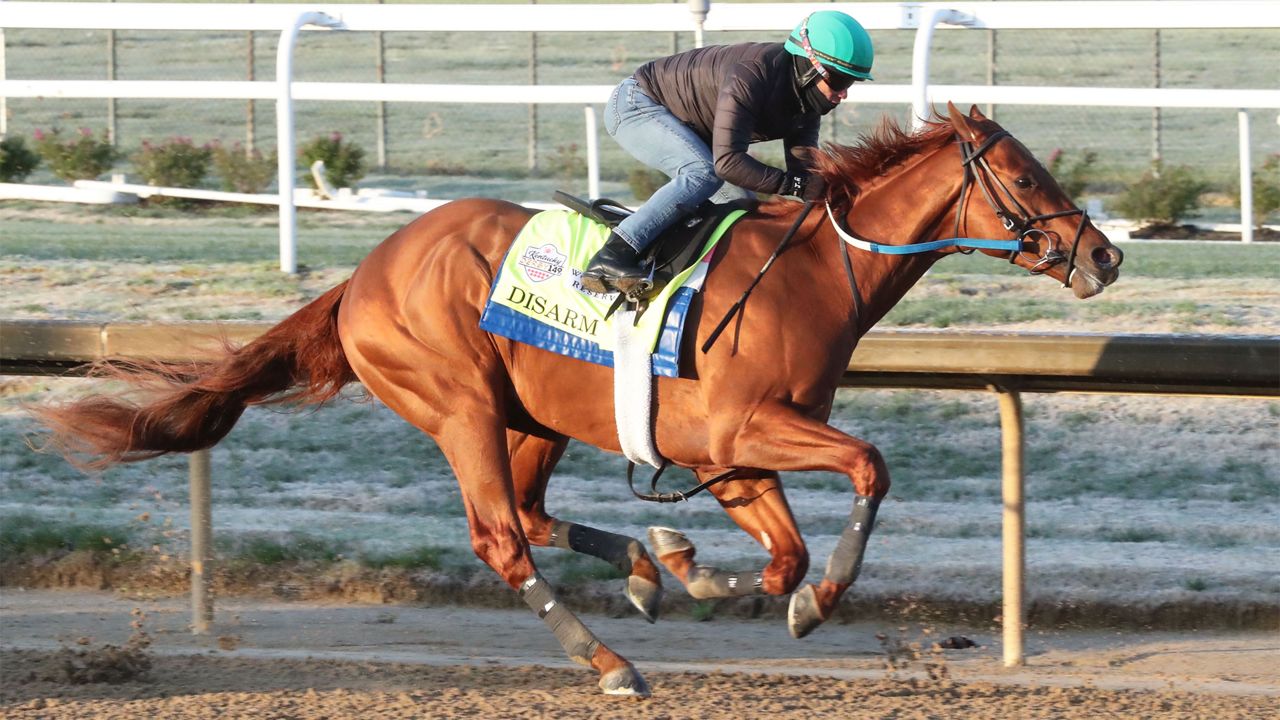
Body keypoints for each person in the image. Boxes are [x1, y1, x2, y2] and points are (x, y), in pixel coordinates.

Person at [579, 10, 875, 295]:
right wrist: (794, 184)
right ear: (809, 67)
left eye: (851, 82)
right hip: (636, 105)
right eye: (838, 81)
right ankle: (613, 254)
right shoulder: (752, 74)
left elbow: (805, 176)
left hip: (690, 131)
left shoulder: (806, 103)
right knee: (702, 173)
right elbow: (728, 163)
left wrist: (838, 196)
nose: (844, 93)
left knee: (743, 214)